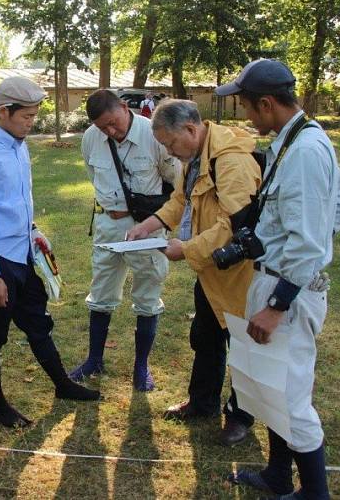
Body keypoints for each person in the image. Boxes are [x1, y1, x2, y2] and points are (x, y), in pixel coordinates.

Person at [216, 59, 340, 499]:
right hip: (273, 277)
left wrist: (277, 305)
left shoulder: (306, 151)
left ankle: (315, 494)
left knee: (292, 401)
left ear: (266, 103)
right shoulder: (290, 140)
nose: (243, 115)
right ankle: (279, 476)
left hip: (287, 293)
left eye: (245, 105)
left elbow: (310, 243)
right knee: (268, 390)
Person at [0, 76, 100, 429]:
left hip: (23, 254)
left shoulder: (18, 145)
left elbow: (17, 202)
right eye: (26, 116)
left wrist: (33, 233)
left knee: (38, 323)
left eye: (35, 116)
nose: (31, 123)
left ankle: (62, 385)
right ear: (4, 111)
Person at [125, 99, 260, 446]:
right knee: (206, 337)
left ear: (190, 129)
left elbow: (233, 224)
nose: (170, 152)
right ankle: (202, 404)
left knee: (243, 348)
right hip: (211, 271)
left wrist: (186, 250)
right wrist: (149, 225)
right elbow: (180, 201)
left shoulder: (232, 160)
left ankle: (241, 416)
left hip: (241, 274)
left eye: (171, 144)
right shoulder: (193, 158)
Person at [69, 89, 180, 391]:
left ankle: (141, 366)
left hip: (147, 225)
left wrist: (155, 220)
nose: (109, 131)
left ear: (123, 107)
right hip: (108, 224)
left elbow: (176, 181)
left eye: (112, 123)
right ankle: (94, 360)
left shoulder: (154, 134)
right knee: (101, 290)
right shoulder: (91, 138)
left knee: (147, 292)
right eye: (101, 127)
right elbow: (95, 176)